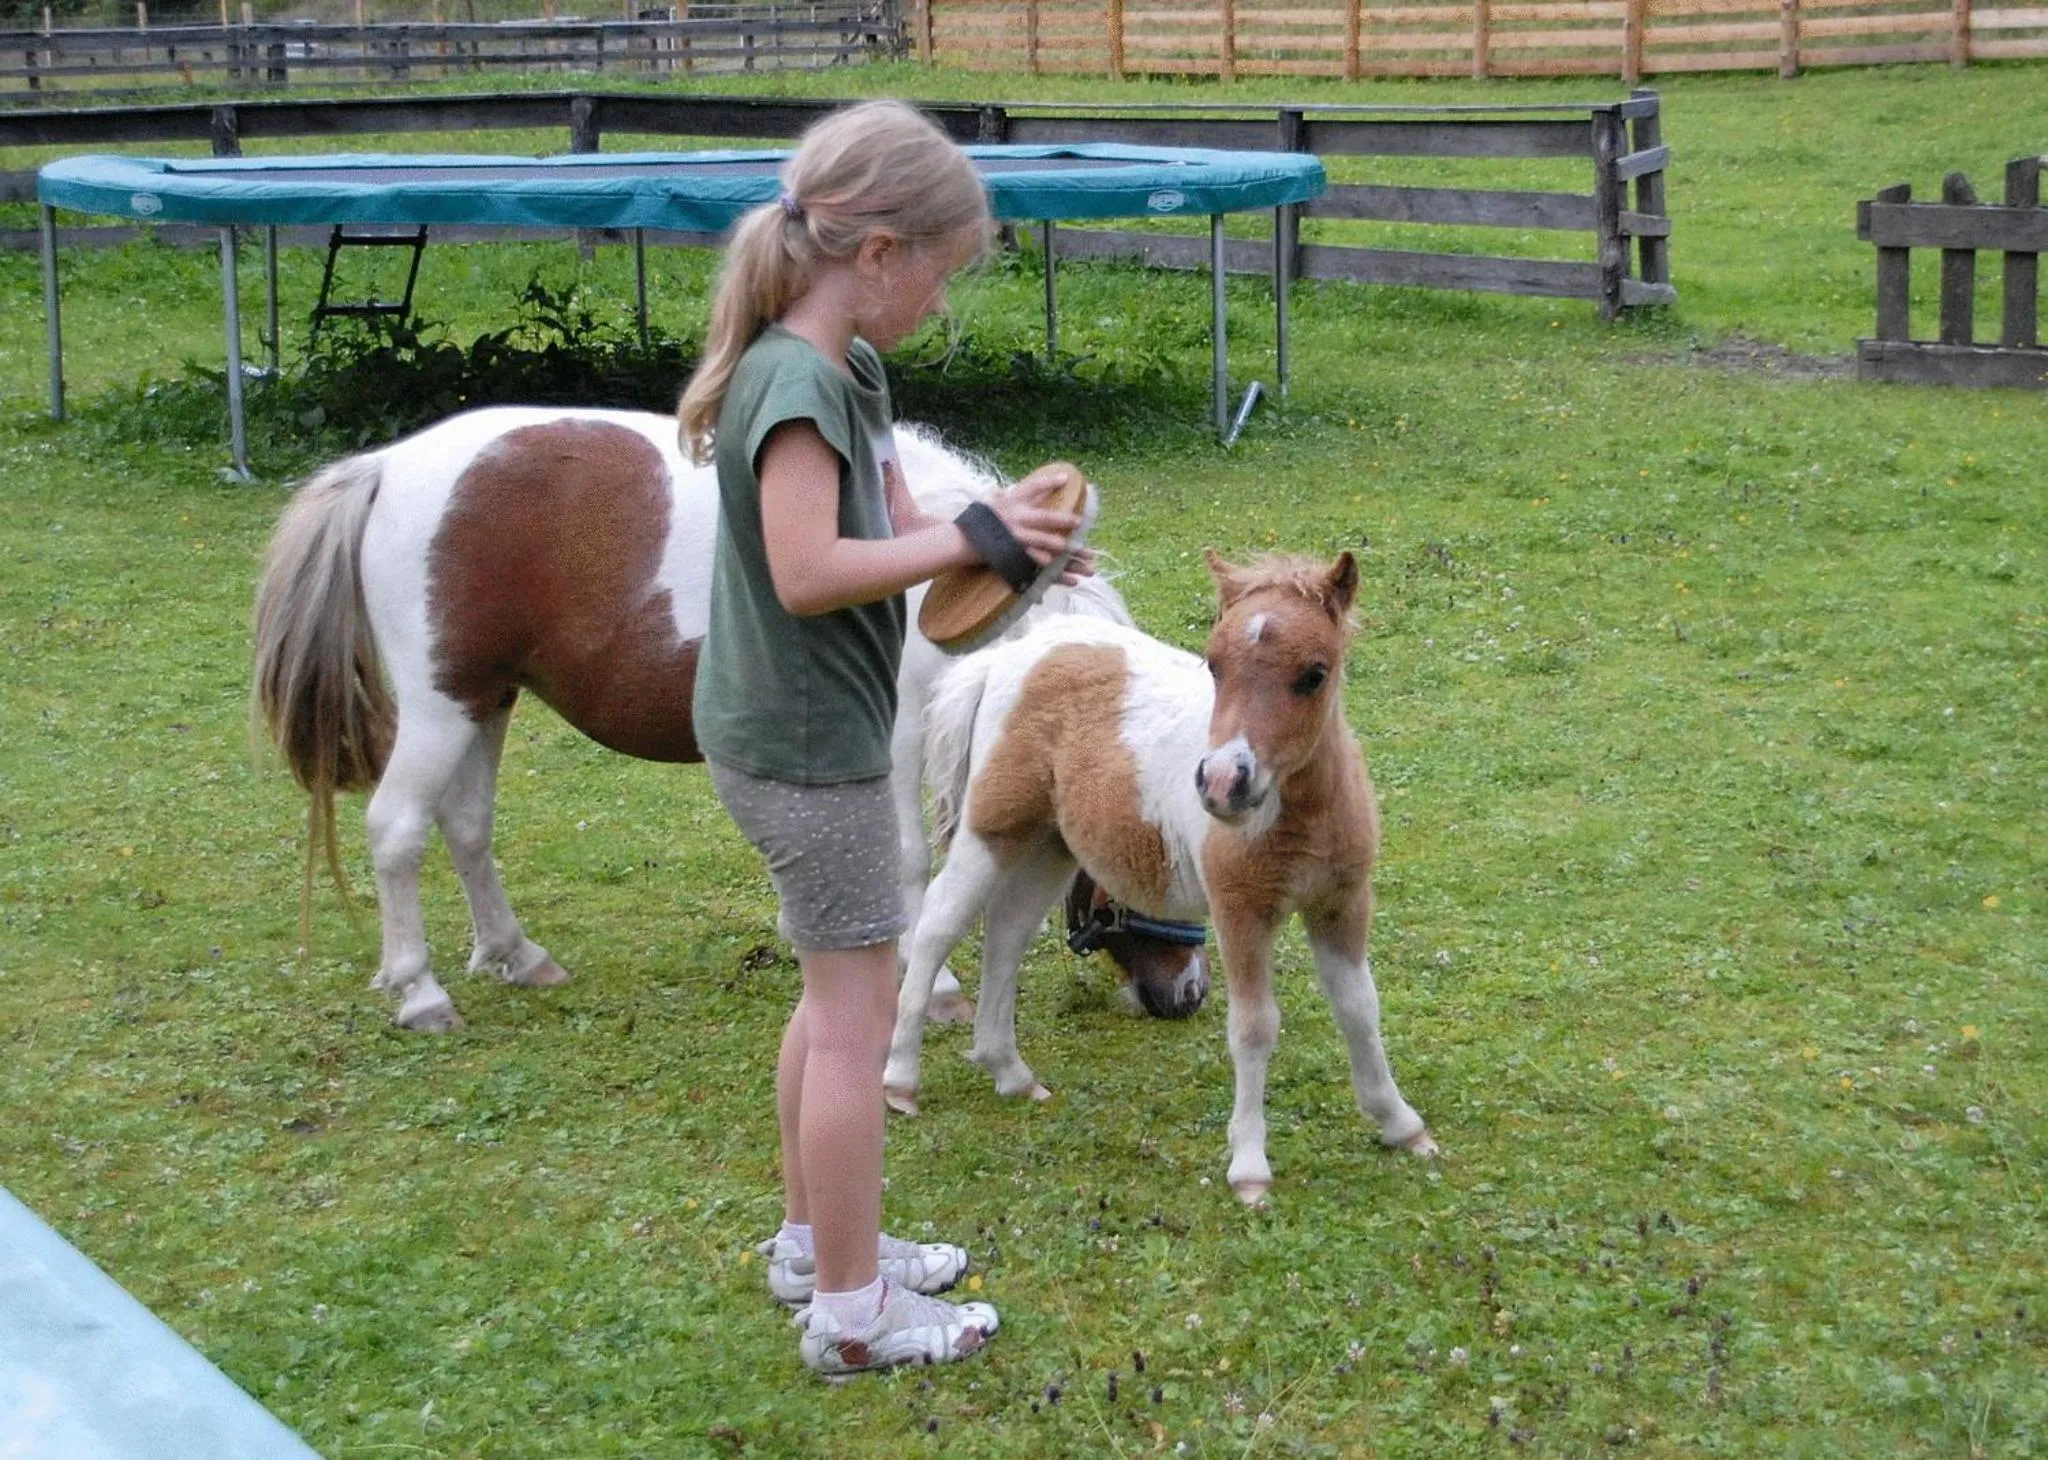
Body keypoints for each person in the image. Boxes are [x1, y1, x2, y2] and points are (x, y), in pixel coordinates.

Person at [678, 99, 1092, 1377]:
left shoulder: (851, 369)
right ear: (877, 254)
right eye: (941, 274)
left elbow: (908, 527)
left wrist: (998, 522)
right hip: (803, 750)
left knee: (829, 1001)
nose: (941, 301)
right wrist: (971, 541)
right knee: (859, 1020)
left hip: (813, 732)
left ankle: (815, 1243)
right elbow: (811, 570)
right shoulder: (791, 382)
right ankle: (852, 1315)